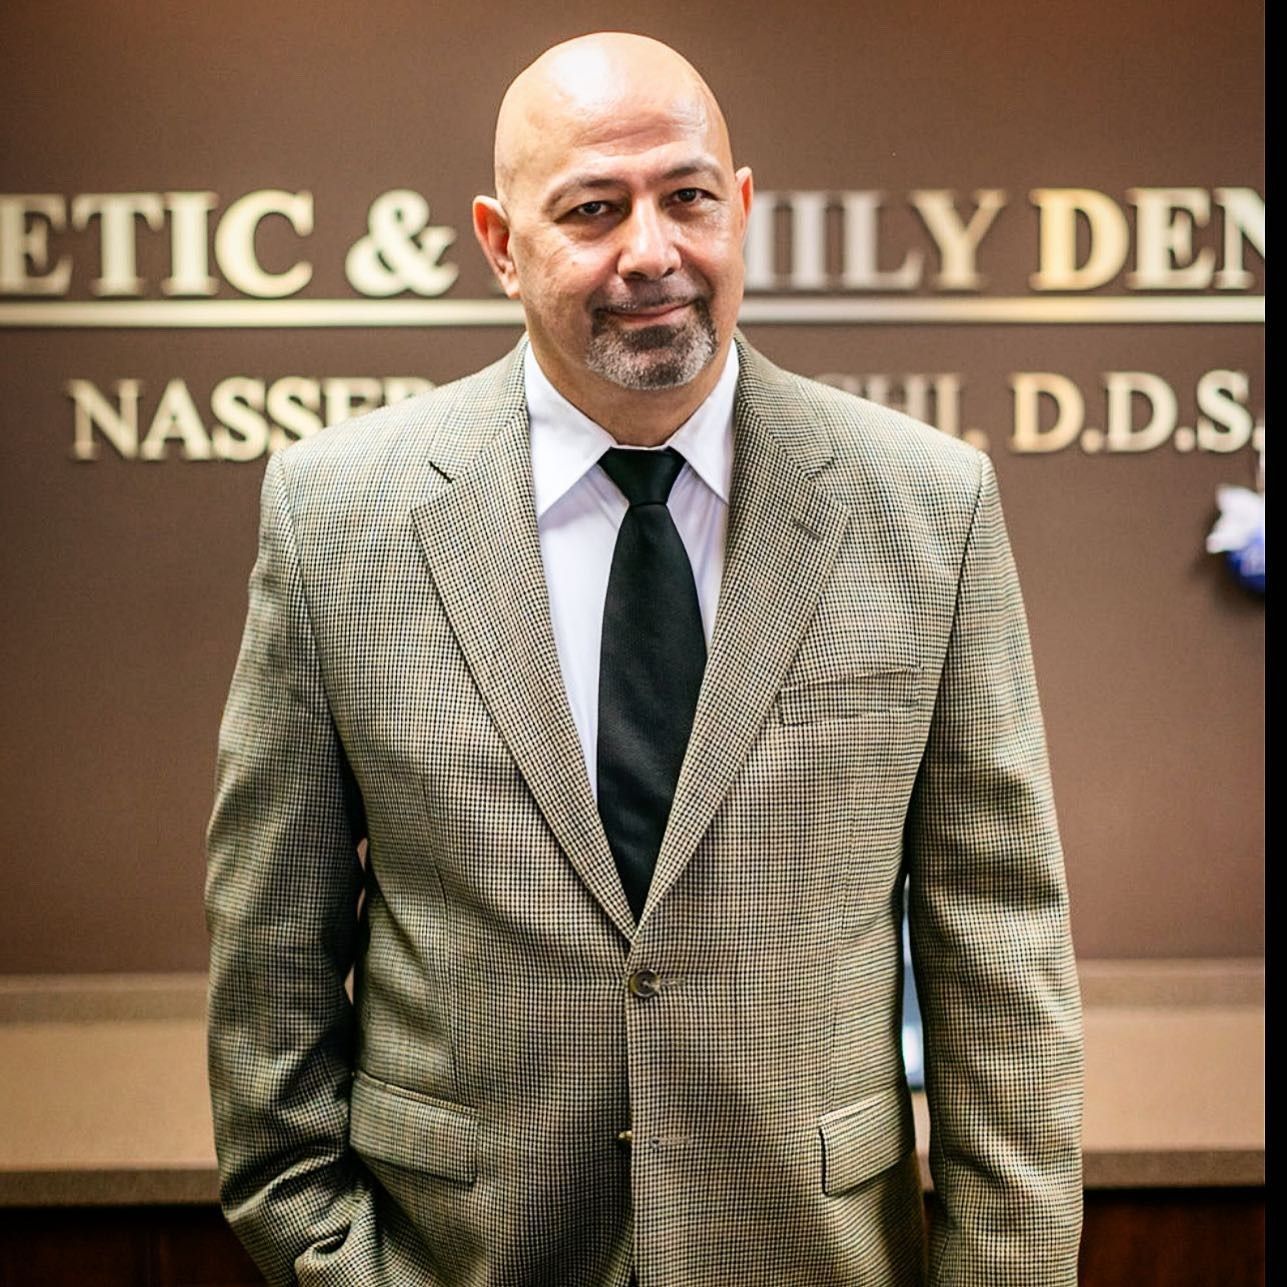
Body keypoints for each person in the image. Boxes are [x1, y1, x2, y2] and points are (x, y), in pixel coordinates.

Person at [205, 32, 1083, 1287]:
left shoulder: (926, 506)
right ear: (500, 243)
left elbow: (1000, 948)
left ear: (742, 207)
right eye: (593, 211)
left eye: (687, 197)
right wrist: (332, 1256)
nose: (653, 252)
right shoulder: (338, 515)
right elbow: (270, 959)